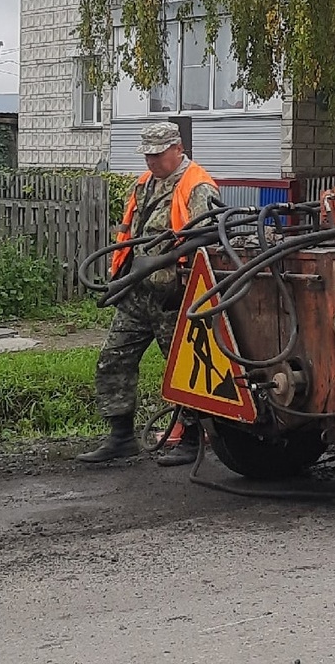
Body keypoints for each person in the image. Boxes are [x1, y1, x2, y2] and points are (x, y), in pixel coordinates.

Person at [77, 123, 219, 467]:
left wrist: (164, 258)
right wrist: (123, 277)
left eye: (157, 154)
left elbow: (212, 233)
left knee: (188, 370)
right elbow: (132, 233)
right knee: (114, 358)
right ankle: (121, 437)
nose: (152, 161)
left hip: (178, 295)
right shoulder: (143, 185)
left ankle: (191, 439)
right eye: (148, 155)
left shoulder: (197, 184)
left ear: (177, 149)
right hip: (138, 294)